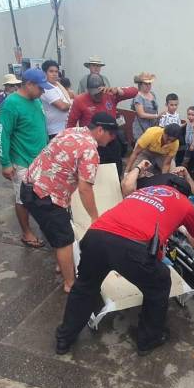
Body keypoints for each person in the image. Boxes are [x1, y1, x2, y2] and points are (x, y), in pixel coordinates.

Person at [55, 161, 194, 357]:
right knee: (160, 282)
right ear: (184, 192)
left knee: (85, 287)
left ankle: (63, 339)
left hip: (95, 237)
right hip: (131, 247)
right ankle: (149, 339)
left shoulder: (140, 193)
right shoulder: (184, 203)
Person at [21, 112, 116, 293]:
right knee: (65, 239)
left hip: (29, 187)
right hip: (46, 197)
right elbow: (85, 188)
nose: (113, 139)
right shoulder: (90, 150)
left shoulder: (72, 131)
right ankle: (70, 283)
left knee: (53, 230)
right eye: (111, 134)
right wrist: (95, 217)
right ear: (101, 130)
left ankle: (61, 265)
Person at [0, 68, 52, 248]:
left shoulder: (36, 101)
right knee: (23, 199)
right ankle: (26, 232)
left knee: (42, 196)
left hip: (40, 160)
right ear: (29, 84)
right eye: (40, 88)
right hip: (22, 161)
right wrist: (5, 163)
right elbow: (3, 134)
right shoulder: (11, 104)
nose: (43, 91)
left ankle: (43, 226)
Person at [67, 74, 138, 175]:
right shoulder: (80, 100)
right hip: (92, 145)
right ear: (88, 90)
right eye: (93, 94)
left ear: (104, 88)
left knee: (115, 171)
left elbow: (134, 91)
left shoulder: (111, 95)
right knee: (94, 173)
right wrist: (73, 144)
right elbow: (71, 124)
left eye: (99, 93)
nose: (97, 96)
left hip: (111, 141)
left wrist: (118, 90)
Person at [41, 60, 72, 139]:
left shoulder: (57, 85)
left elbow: (68, 100)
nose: (54, 74)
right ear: (44, 73)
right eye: (51, 71)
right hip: (55, 131)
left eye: (56, 71)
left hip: (64, 127)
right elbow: (62, 106)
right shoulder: (46, 88)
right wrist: (74, 104)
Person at [131, 72, 161, 141]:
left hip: (153, 126)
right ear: (140, 84)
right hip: (141, 127)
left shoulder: (152, 94)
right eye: (146, 84)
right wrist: (156, 116)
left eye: (149, 83)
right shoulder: (138, 97)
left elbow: (155, 109)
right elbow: (141, 114)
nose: (148, 86)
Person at [181, 106, 194, 182]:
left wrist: (193, 145)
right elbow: (182, 126)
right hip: (188, 144)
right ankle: (182, 174)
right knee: (185, 159)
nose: (190, 116)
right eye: (189, 114)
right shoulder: (188, 122)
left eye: (192, 115)